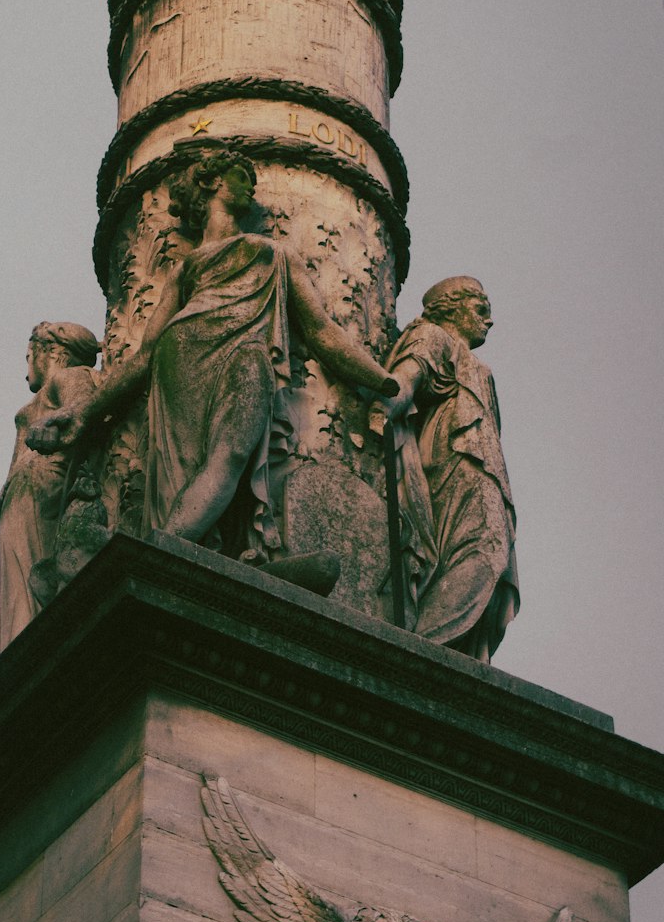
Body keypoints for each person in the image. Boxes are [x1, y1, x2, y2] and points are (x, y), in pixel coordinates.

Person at [28, 149, 397, 559]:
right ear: (211, 182)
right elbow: (145, 354)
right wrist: (85, 412)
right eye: (241, 175)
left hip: (243, 354)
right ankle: (169, 552)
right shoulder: (188, 268)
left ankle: (164, 549)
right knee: (186, 468)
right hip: (180, 358)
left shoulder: (271, 252)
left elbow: (322, 332)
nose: (252, 185)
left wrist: (383, 380)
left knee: (233, 452)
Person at [373, 276, 518, 661]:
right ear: (451, 306)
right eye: (481, 309)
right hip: (457, 459)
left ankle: (448, 651)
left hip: (484, 466)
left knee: (496, 570)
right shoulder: (433, 337)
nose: (489, 321)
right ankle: (424, 647)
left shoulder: (480, 368)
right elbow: (404, 380)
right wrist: (384, 409)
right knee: (485, 551)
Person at [0, 321, 99, 653]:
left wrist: (53, 422)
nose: (27, 372)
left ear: (50, 351)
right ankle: (17, 649)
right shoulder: (44, 393)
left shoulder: (69, 377)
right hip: (25, 495)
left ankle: (29, 651)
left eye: (29, 357)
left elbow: (82, 404)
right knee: (15, 583)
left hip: (44, 489)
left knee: (28, 577)